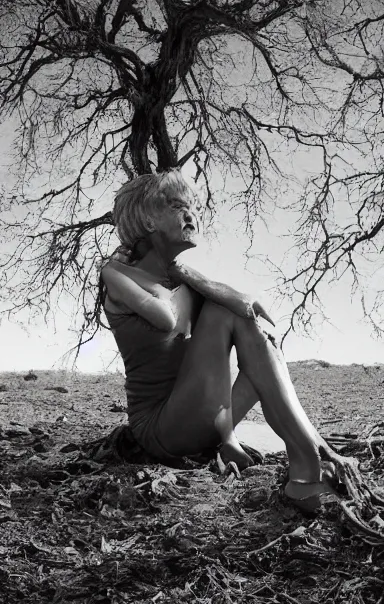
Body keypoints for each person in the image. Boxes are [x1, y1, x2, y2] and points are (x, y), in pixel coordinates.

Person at [100, 171, 348, 511]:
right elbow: (166, 319)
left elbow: (220, 355)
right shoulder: (116, 274)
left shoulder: (181, 280)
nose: (191, 216)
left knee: (260, 340)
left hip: (206, 416)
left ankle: (311, 455)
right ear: (147, 219)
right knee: (223, 312)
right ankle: (306, 476)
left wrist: (228, 437)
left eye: (193, 208)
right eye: (177, 206)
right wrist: (185, 276)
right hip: (160, 427)